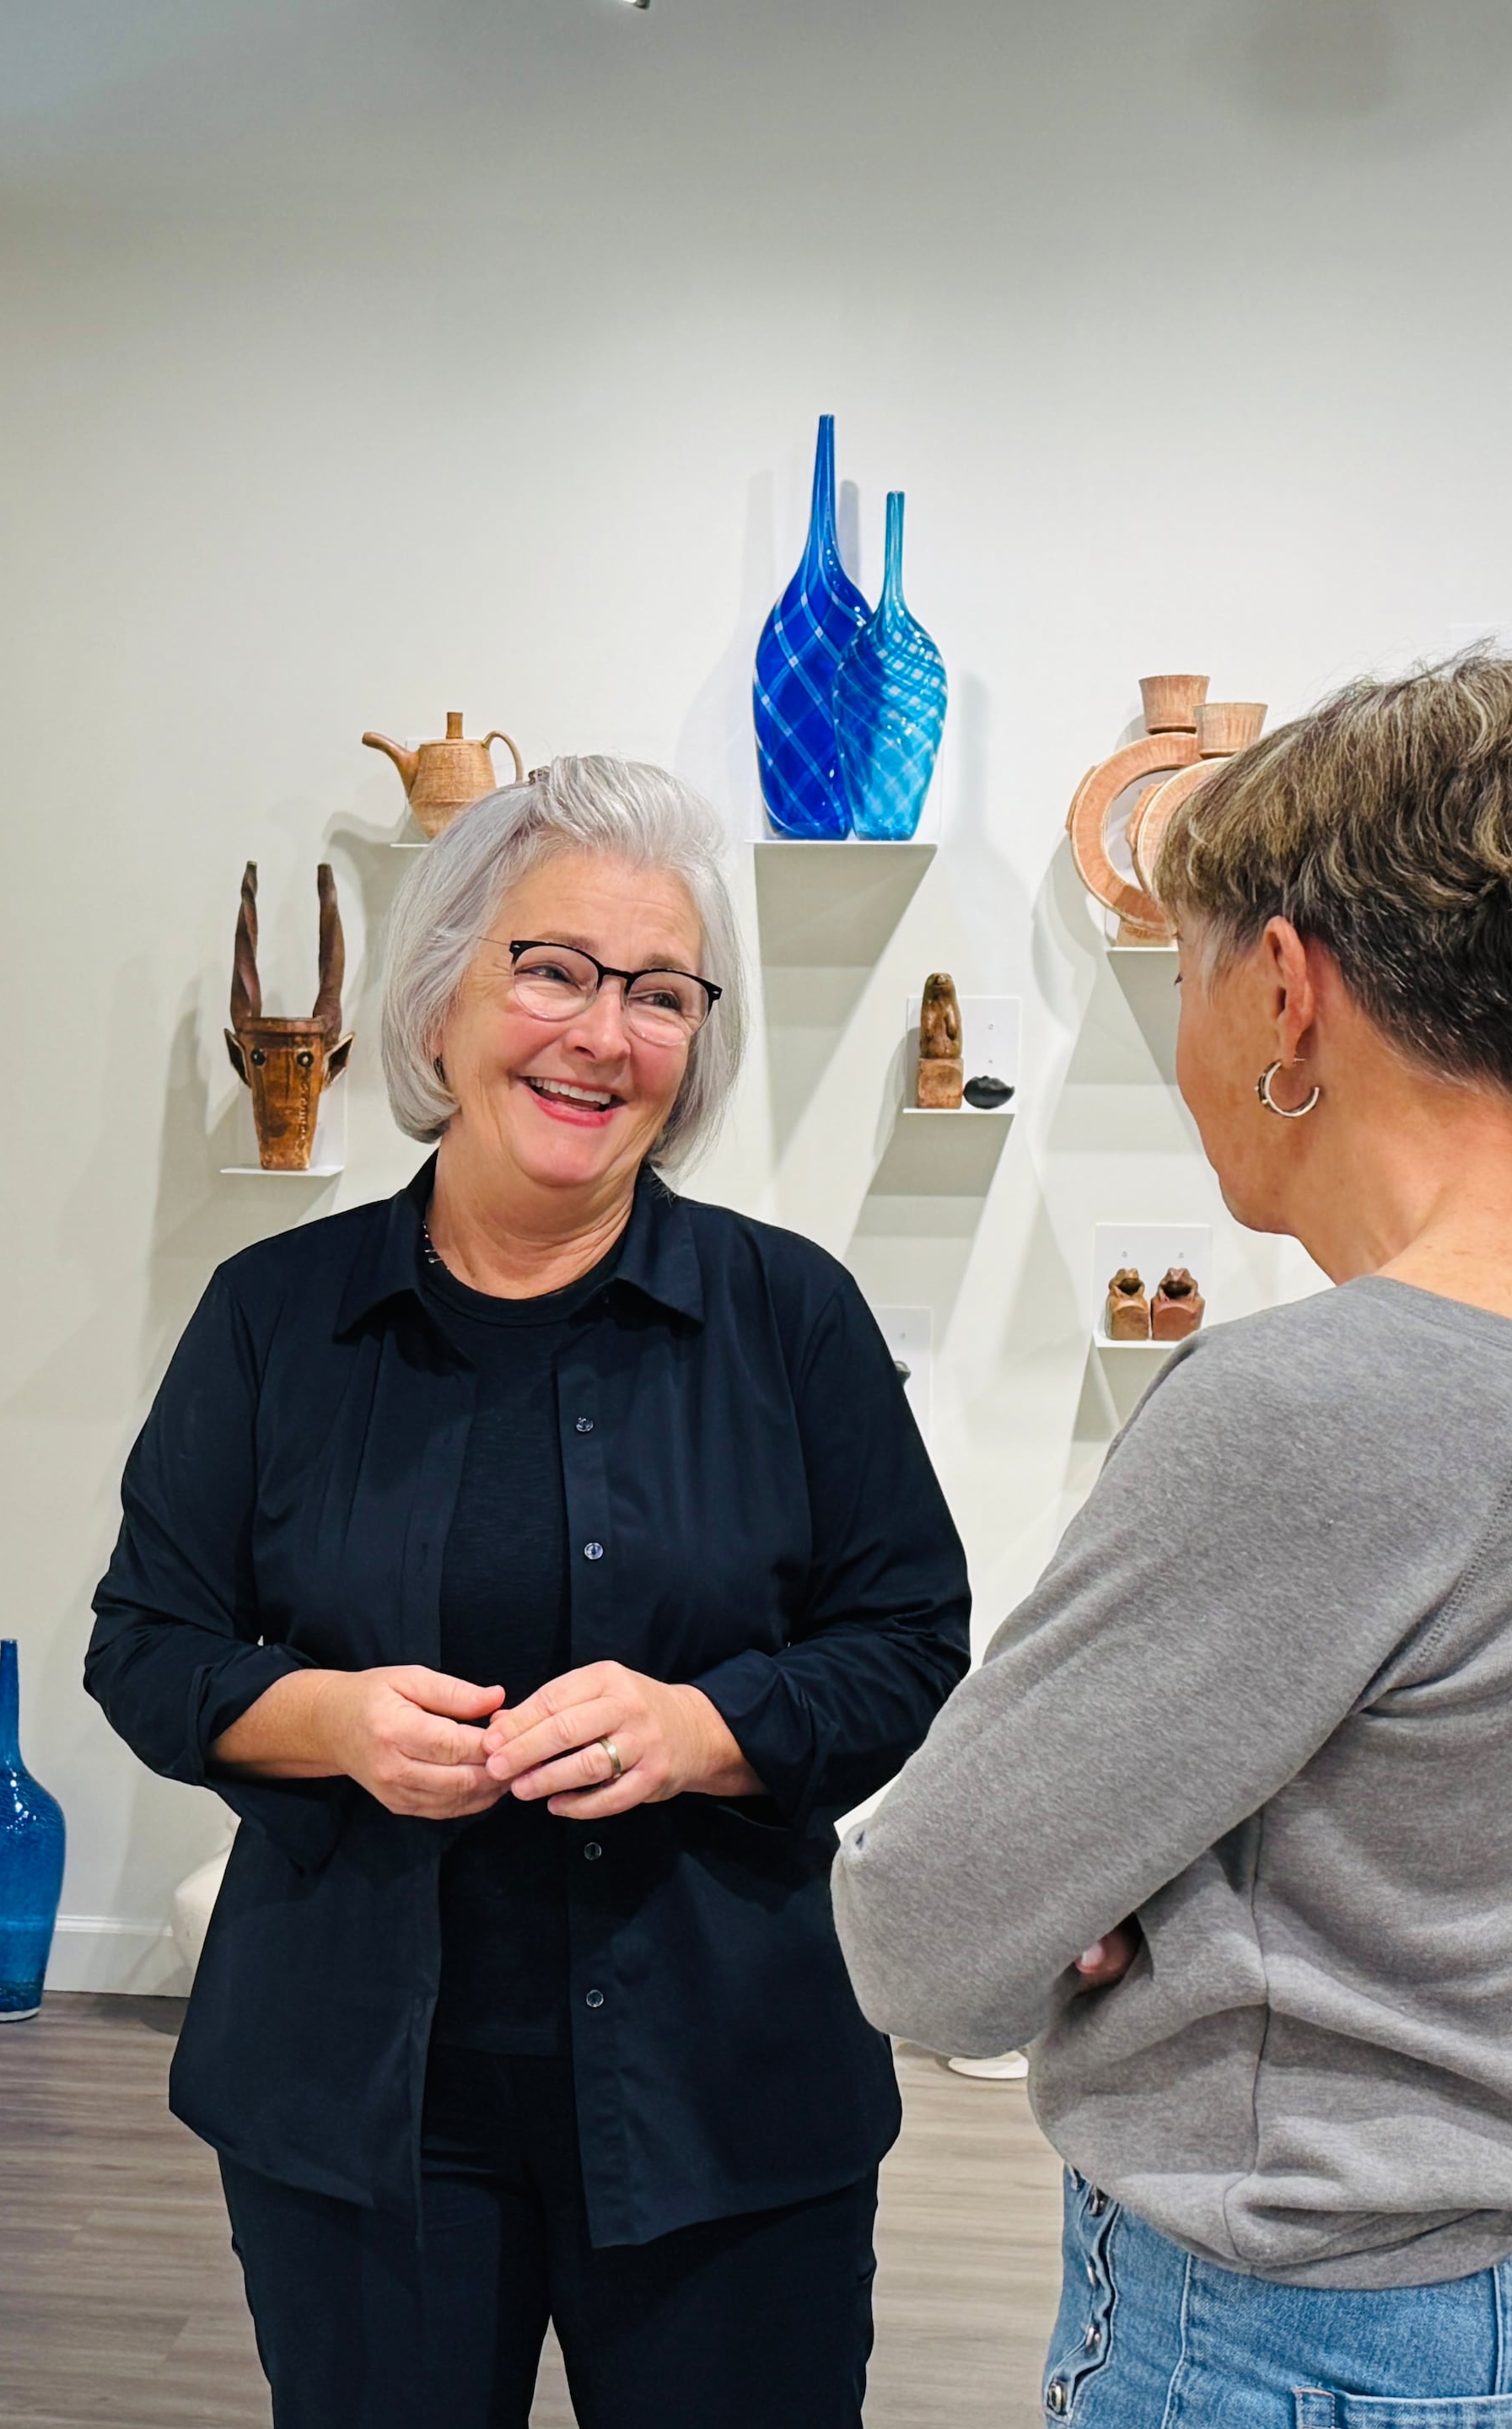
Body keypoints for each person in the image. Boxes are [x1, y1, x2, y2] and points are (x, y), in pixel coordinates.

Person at [831, 654, 1512, 2427]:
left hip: (1303, 2347)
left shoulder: (1326, 1399)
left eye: (1182, 977)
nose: (1186, 1049)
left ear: (1284, 988)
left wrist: (1121, 1884)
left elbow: (924, 1930)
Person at [87, 757, 970, 2427]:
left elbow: (910, 1638)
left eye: (656, 994)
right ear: (438, 1006)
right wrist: (332, 1719)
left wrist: (709, 1727)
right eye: (551, 969)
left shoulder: (792, 1320)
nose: (599, 1032)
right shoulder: (274, 1320)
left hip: (729, 2107)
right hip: (362, 2116)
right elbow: (148, 1643)